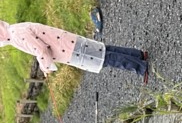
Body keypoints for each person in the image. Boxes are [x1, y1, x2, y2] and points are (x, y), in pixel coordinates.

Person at [0, 20, 149, 83]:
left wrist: (45, 67)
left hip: (68, 49)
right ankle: (138, 55)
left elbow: (41, 50)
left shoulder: (16, 36)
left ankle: (141, 67)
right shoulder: (15, 29)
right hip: (68, 41)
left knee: (105, 58)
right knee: (104, 50)